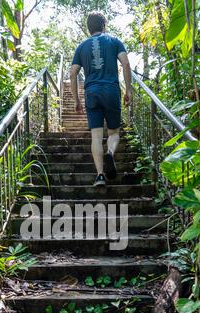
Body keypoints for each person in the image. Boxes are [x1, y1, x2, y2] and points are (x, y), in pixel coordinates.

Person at [70, 11, 132, 187]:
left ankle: (99, 176)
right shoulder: (114, 41)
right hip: (111, 91)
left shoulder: (81, 47)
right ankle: (110, 153)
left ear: (88, 28)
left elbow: (73, 73)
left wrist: (76, 100)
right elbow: (126, 63)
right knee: (113, 132)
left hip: (91, 93)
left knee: (96, 136)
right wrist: (128, 90)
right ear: (104, 25)